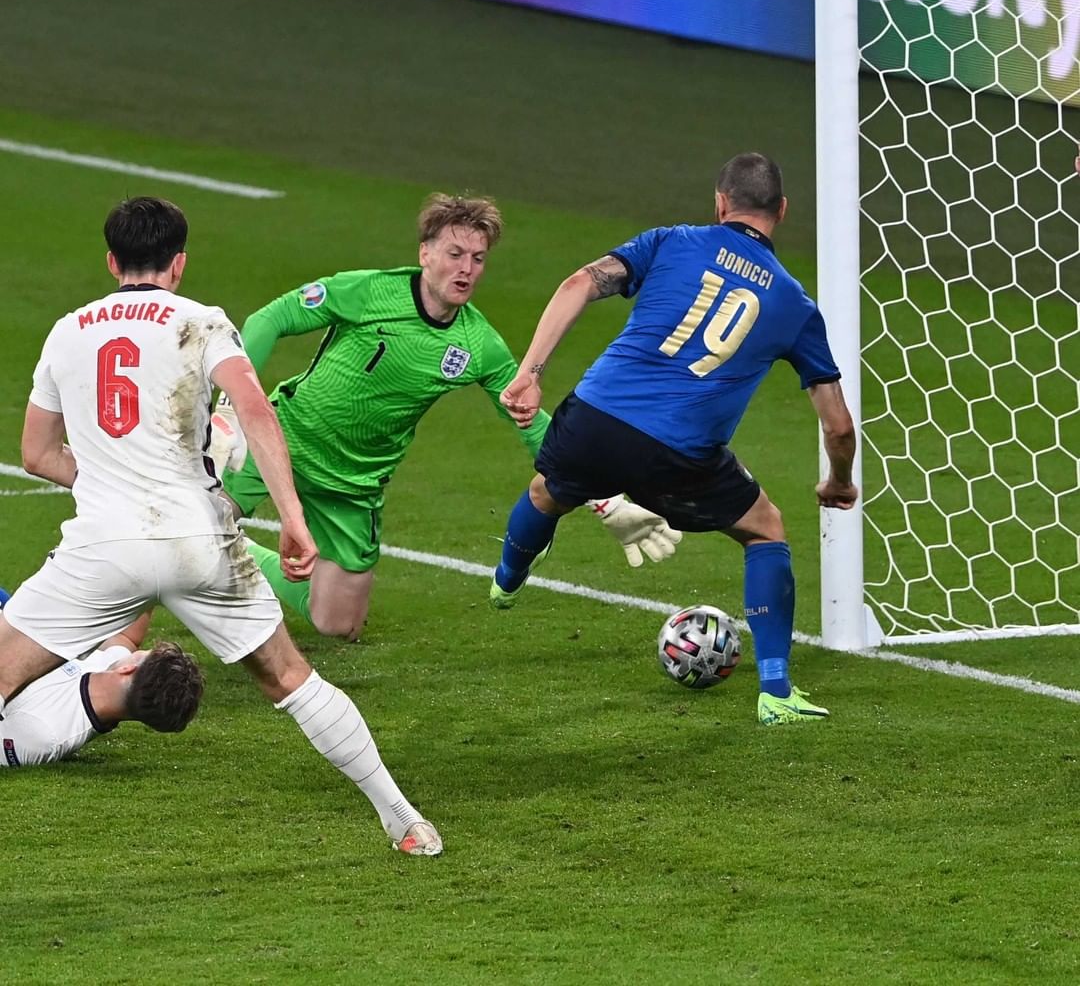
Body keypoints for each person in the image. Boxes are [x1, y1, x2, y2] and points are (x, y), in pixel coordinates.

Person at [0, 198, 441, 854]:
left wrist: (105, 480)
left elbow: (36, 454)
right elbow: (255, 410)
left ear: (112, 262)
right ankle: (404, 821)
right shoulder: (201, 322)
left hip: (104, 547)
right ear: (178, 264)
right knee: (292, 680)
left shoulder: (67, 332)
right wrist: (292, 520)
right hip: (202, 541)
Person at [209, 193, 681, 642]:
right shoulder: (369, 291)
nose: (466, 268)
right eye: (455, 254)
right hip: (283, 437)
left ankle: (244, 556)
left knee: (338, 623)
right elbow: (268, 320)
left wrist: (605, 501)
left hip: (354, 483)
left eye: (478, 259)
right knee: (198, 530)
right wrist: (231, 408)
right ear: (425, 253)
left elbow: (531, 424)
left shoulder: (479, 345)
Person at [490, 153, 858, 726]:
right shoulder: (795, 304)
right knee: (765, 528)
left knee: (547, 490)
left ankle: (506, 581)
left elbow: (579, 283)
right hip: (680, 455)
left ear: (720, 202)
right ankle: (776, 692)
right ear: (782, 211)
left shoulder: (671, 240)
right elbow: (838, 425)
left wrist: (530, 373)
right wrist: (839, 482)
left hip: (595, 418)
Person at [0, 604, 203, 767]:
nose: (135, 651)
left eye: (142, 653)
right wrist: (152, 586)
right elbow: (126, 638)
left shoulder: (43, 734)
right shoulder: (108, 666)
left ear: (128, 669)